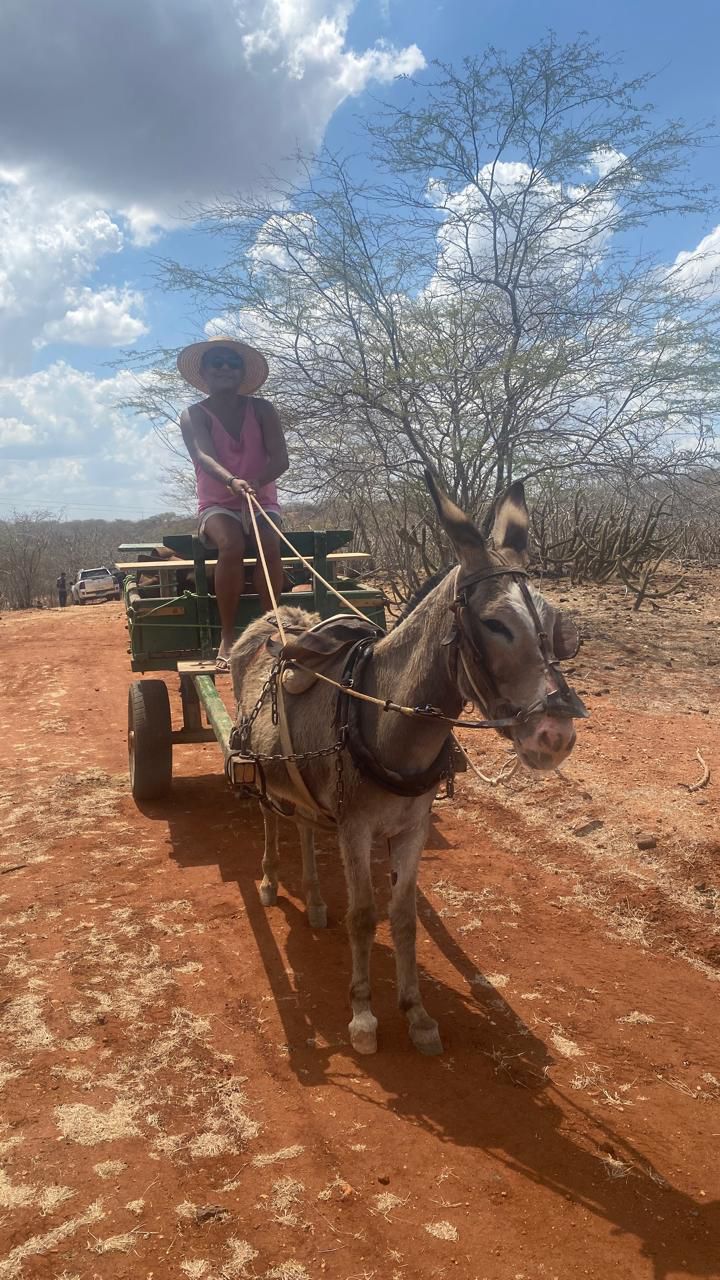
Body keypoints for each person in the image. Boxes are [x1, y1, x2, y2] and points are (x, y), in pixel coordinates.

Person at [177, 336, 289, 672]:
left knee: (269, 541)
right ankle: (228, 636)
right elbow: (203, 455)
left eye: (232, 363)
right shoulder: (193, 414)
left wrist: (255, 482)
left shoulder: (263, 409)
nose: (225, 367)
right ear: (205, 371)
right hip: (217, 503)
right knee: (231, 544)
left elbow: (281, 459)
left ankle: (273, 626)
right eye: (217, 362)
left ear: (241, 373)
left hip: (261, 499)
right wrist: (231, 482)